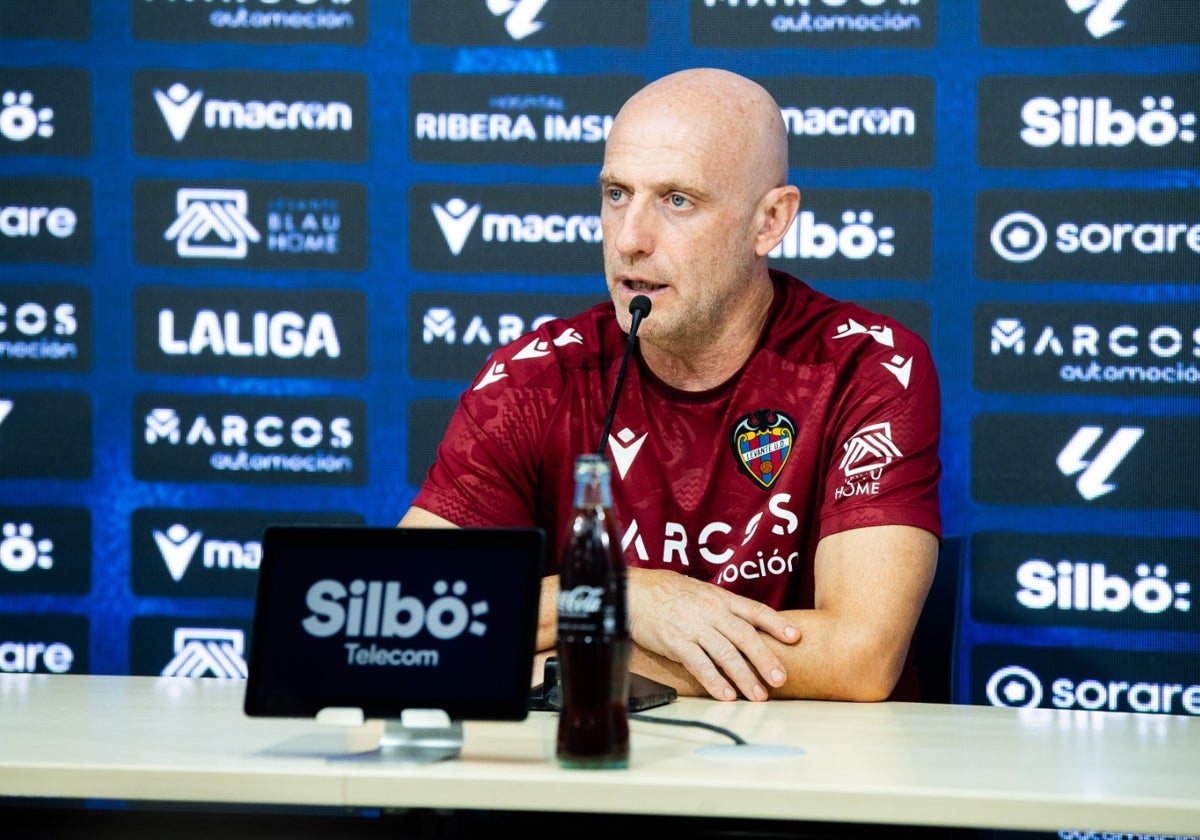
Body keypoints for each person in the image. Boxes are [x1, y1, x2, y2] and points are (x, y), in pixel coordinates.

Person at [401, 68, 942, 703]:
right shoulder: (539, 375)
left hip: (803, 783)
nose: (630, 239)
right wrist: (619, 598)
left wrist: (556, 652)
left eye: (676, 200)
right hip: (588, 779)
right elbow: (407, 608)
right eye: (615, 195)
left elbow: (858, 658)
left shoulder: (864, 368)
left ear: (770, 221)